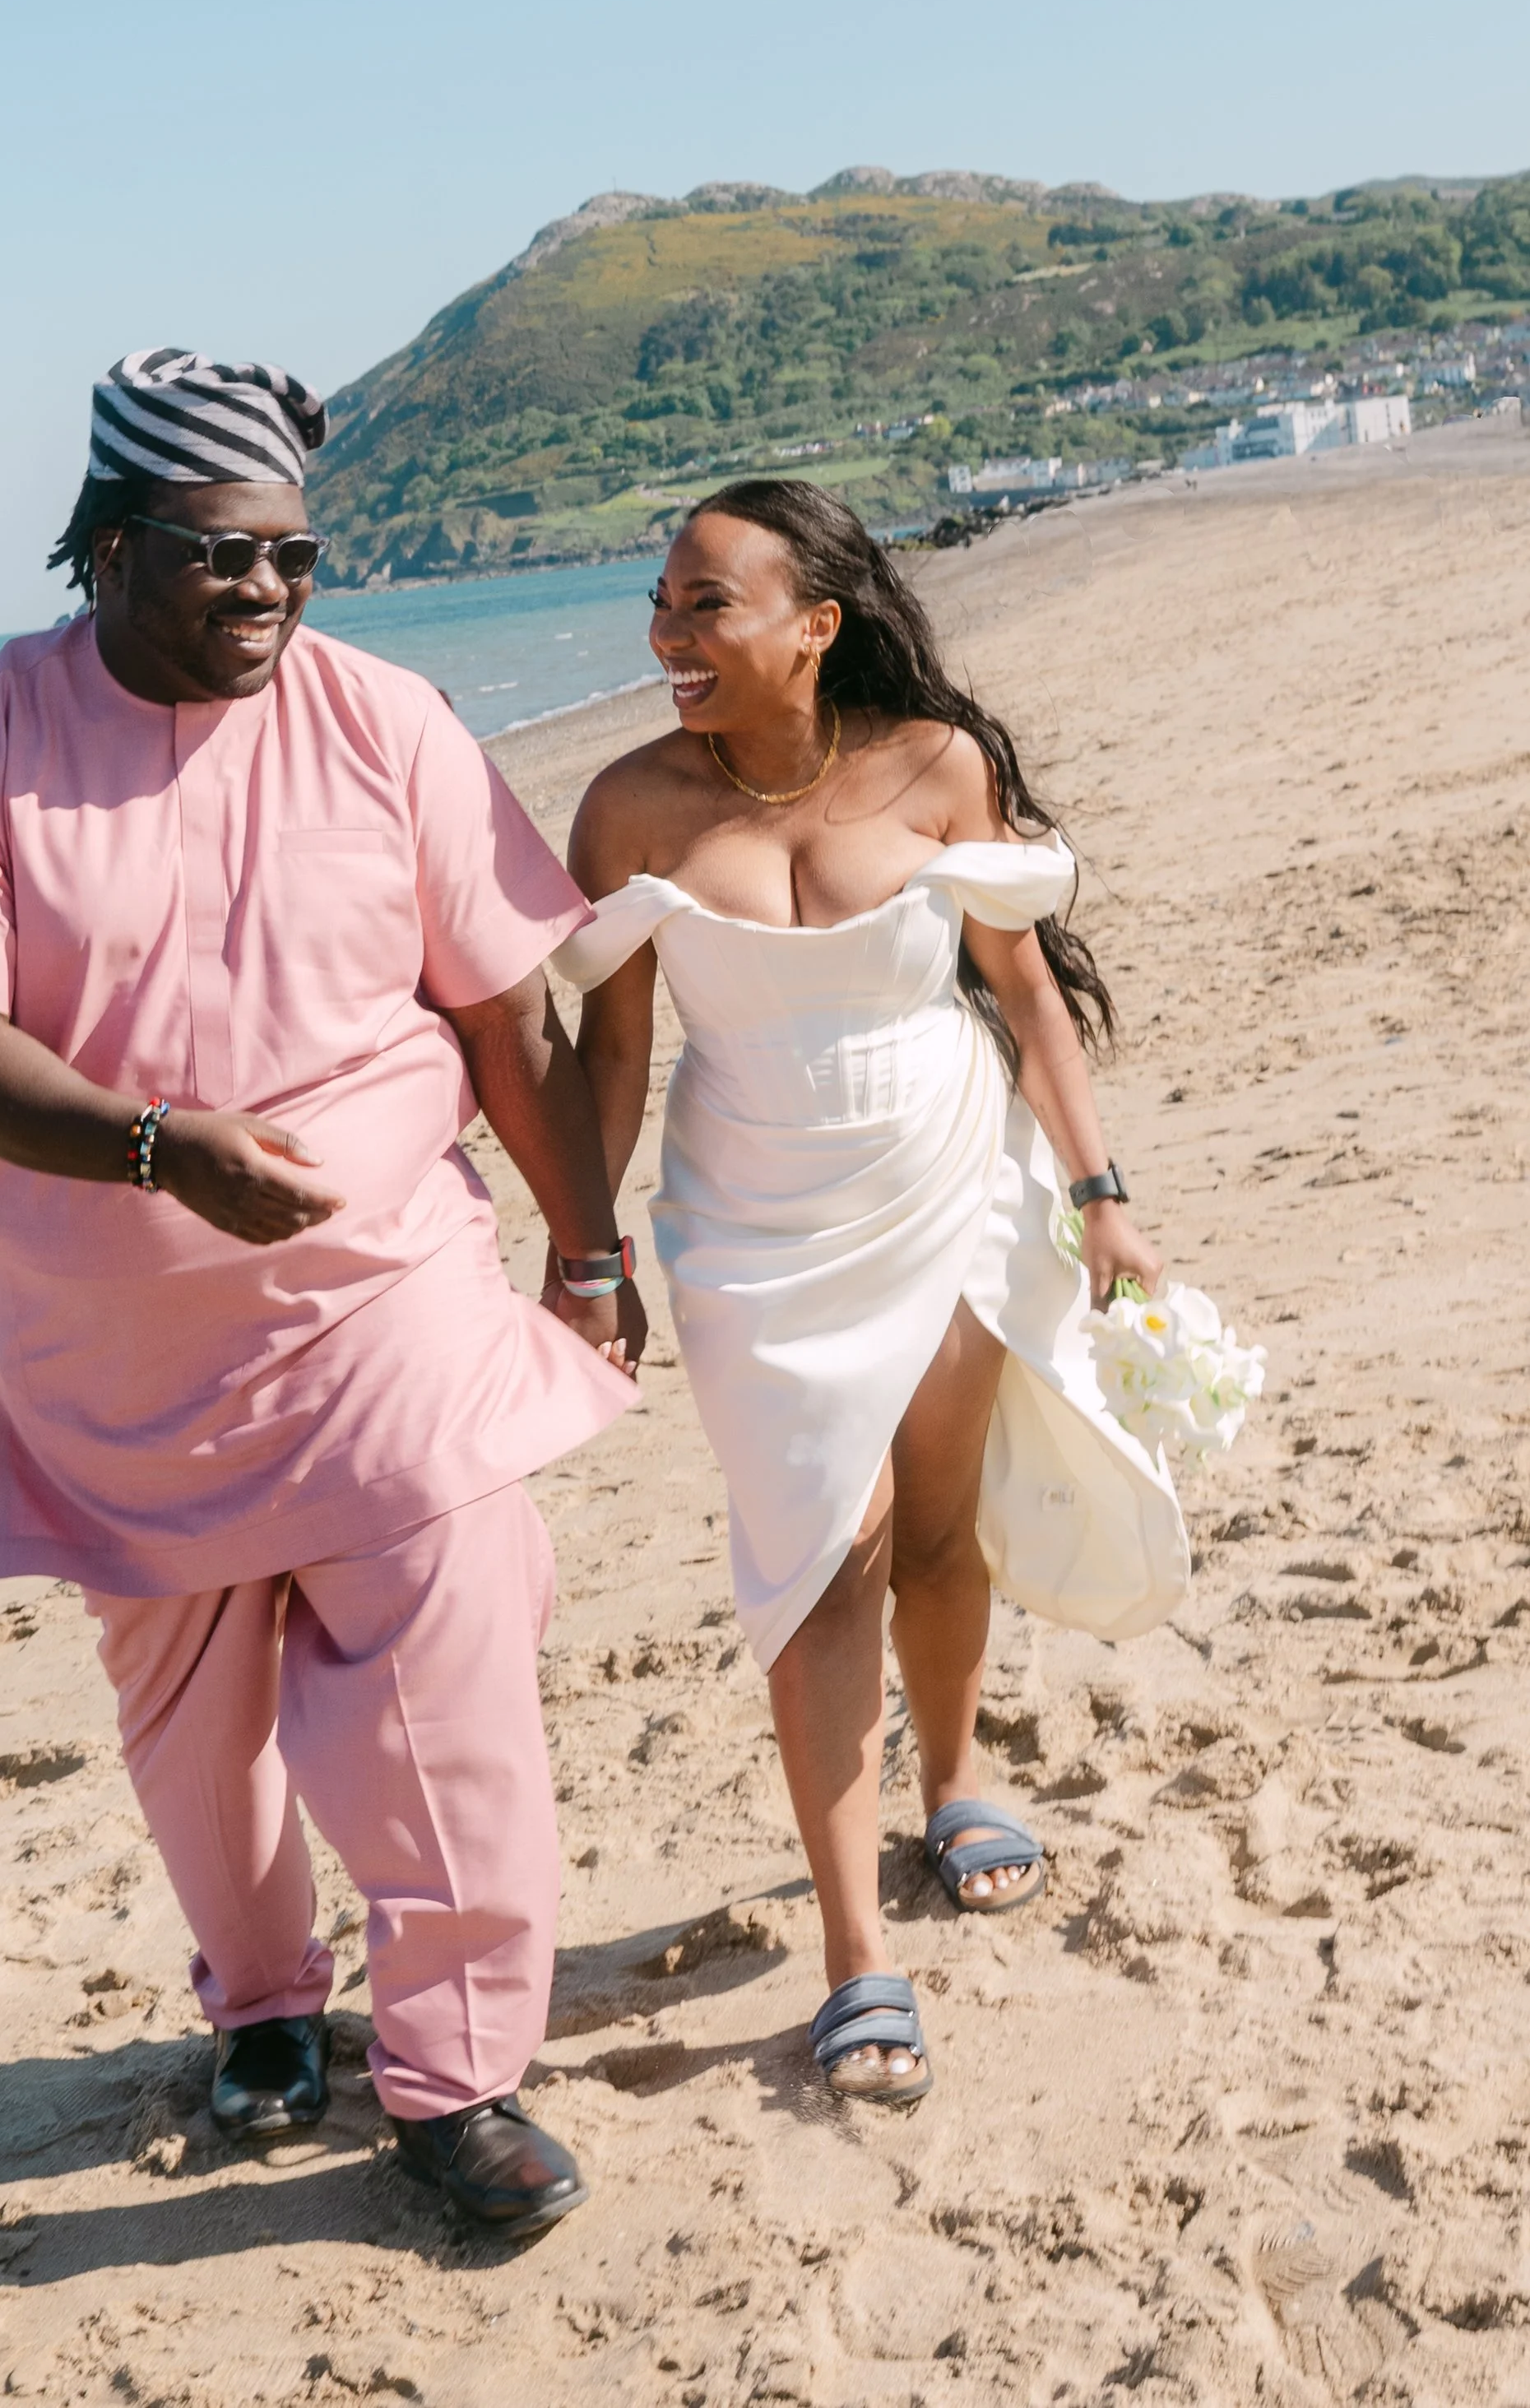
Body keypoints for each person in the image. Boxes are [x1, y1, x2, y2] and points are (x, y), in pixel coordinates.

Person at [0, 349, 648, 2239]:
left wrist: (585, 1246)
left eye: (293, 556)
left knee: (443, 1687)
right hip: (113, 1355)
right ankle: (269, 2005)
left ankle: (455, 2084)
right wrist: (153, 1152)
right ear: (109, 551)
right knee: (191, 1724)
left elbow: (497, 1016)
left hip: (389, 1309)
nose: (269, 592)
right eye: (221, 556)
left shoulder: (387, 724)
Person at [552, 479, 1189, 2106]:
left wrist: (1098, 1195)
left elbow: (1020, 990)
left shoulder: (933, 763)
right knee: (811, 1562)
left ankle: (956, 1775)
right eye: (661, 603)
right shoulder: (628, 808)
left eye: (706, 604)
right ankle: (853, 1960)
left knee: (926, 1523)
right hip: (752, 1232)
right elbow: (614, 1047)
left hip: (952, 1182)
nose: (667, 634)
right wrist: (586, 1246)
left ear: (811, 625)